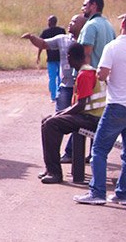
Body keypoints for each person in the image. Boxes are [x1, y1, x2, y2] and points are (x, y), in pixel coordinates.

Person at [75, 12, 126, 205]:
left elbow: (101, 74)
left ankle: (97, 192)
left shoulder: (113, 47)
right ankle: (122, 194)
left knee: (99, 149)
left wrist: (104, 75)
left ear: (123, 23)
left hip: (117, 105)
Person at [22, 14, 87, 162]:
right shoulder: (62, 39)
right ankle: (54, 157)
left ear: (83, 25)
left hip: (81, 87)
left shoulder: (86, 42)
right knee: (58, 119)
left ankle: (71, 153)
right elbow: (44, 43)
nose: (70, 24)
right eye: (70, 21)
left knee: (79, 124)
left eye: (75, 22)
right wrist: (32, 38)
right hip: (66, 86)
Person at [40, 43, 105, 184]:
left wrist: (59, 115)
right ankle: (50, 168)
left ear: (69, 57)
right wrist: (60, 113)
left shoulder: (85, 74)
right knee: (47, 120)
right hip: (88, 116)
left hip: (92, 119)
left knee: (51, 124)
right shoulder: (85, 71)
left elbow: (80, 105)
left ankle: (55, 173)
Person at [78, 0, 116, 68]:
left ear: (93, 5)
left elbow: (86, 54)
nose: (82, 8)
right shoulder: (109, 26)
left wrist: (85, 74)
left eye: (85, 5)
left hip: (92, 75)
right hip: (105, 75)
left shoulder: (90, 26)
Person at [39, 15, 67, 102]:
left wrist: (38, 55)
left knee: (52, 78)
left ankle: (53, 97)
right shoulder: (61, 31)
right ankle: (60, 95)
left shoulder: (45, 32)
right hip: (61, 58)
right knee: (60, 77)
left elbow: (41, 44)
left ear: (50, 22)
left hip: (51, 59)